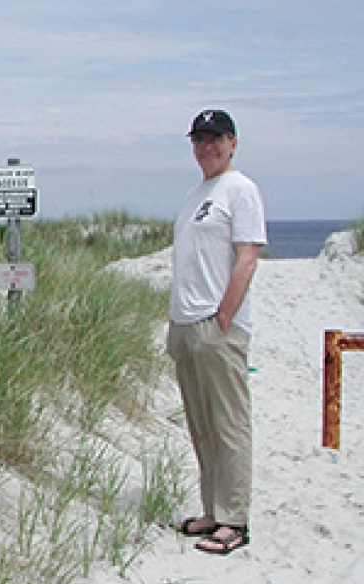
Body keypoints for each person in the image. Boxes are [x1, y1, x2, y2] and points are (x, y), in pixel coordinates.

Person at [166, 109, 267, 556]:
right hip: (186, 325)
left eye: (215, 139)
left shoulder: (240, 189)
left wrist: (224, 315)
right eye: (200, 139)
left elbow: (247, 257)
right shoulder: (195, 194)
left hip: (216, 325)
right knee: (201, 424)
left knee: (229, 424)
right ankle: (210, 510)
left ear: (232, 143)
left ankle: (233, 520)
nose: (207, 147)